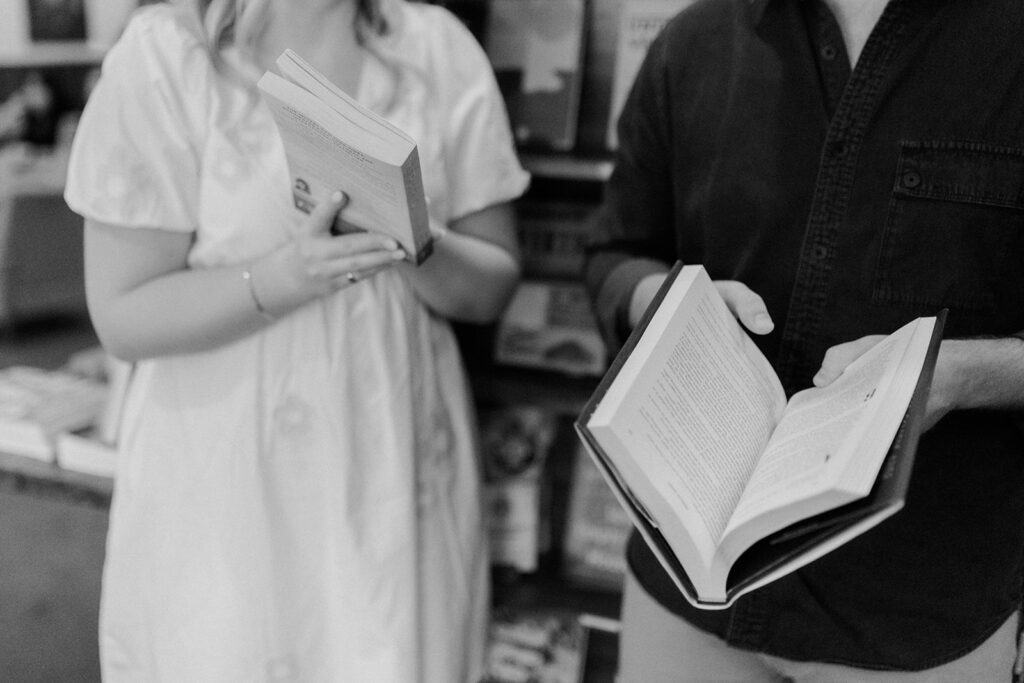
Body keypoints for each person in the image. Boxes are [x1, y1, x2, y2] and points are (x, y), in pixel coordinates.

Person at [63, 0, 529, 680]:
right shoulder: (169, 52)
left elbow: (492, 287)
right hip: (228, 482)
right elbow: (122, 314)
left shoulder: (435, 46)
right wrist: (279, 278)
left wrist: (412, 237)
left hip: (397, 465)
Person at [584, 0, 1024, 680]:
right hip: (688, 597)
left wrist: (962, 373)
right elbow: (615, 252)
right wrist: (666, 305)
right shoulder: (692, 41)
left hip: (920, 611)